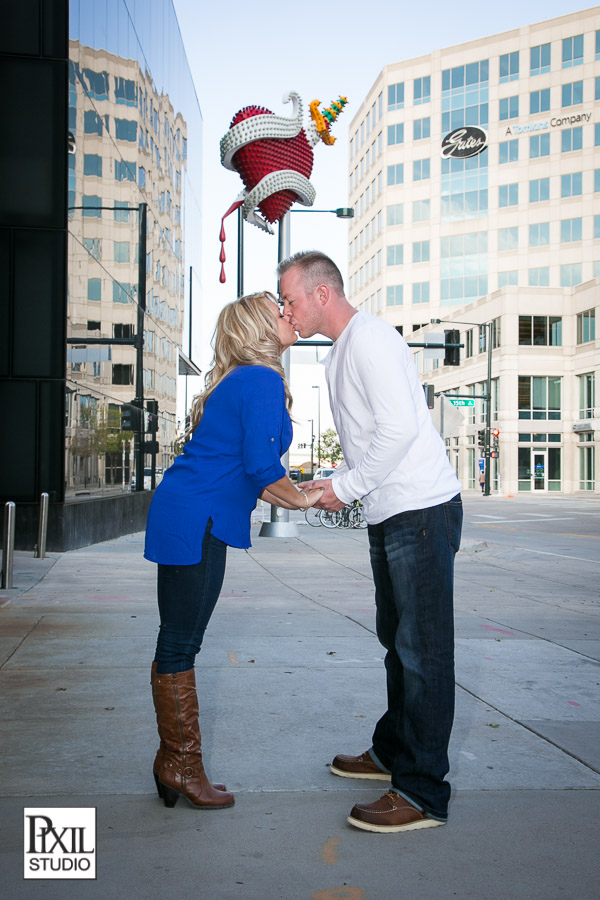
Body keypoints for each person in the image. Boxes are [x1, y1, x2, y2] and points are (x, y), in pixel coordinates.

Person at [278, 251, 463, 834]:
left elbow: (402, 429)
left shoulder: (371, 338)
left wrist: (348, 486)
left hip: (422, 510)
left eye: (291, 299)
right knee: (397, 644)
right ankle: (392, 753)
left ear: (322, 294)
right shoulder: (342, 352)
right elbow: (370, 438)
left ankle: (423, 793)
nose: (288, 310)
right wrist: (335, 480)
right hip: (392, 513)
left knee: (424, 655)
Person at [144, 291, 323, 811]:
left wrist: (301, 495)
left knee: (180, 640)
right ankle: (180, 765)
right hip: (197, 519)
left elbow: (254, 473)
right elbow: (264, 469)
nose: (290, 315)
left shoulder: (240, 380)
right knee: (180, 643)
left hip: (190, 513)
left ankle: (174, 763)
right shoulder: (261, 379)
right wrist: (313, 500)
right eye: (279, 310)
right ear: (258, 329)